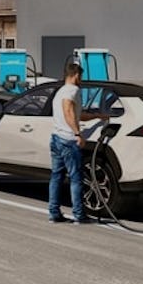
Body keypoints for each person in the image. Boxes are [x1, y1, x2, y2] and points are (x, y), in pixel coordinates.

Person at [49, 62, 110, 224]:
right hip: (69, 140)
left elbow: (77, 114)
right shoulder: (72, 90)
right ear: (75, 75)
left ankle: (54, 213)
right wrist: (78, 134)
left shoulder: (60, 91)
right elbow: (68, 110)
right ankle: (79, 214)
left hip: (56, 138)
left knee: (56, 177)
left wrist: (97, 116)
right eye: (80, 76)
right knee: (76, 178)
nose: (81, 80)